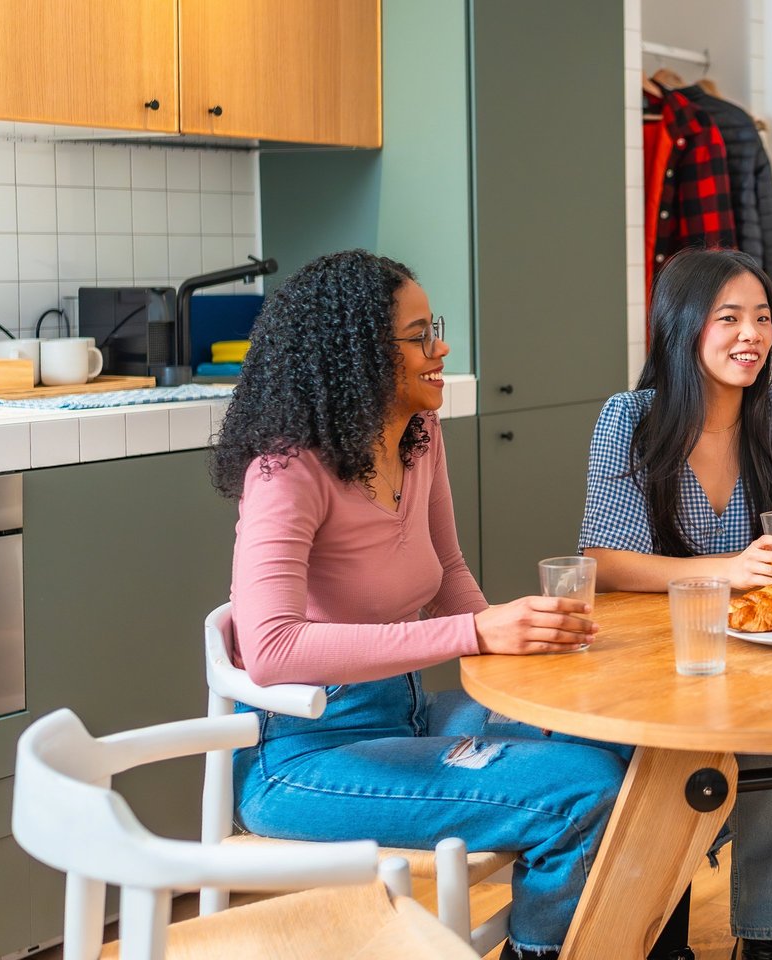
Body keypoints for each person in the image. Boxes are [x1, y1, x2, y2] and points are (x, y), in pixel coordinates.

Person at [210, 250, 627, 960]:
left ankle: (619, 936)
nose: (442, 348)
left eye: (434, 329)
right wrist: (474, 632)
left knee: (615, 739)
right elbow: (273, 648)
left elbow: (450, 574)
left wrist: (524, 660)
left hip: (406, 716)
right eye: (420, 334)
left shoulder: (417, 437)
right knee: (580, 788)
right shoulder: (287, 469)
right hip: (307, 754)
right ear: (359, 352)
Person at [580, 248, 772, 960]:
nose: (750, 336)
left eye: (762, 318)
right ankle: (657, 936)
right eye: (728, 318)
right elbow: (605, 561)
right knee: (662, 758)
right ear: (682, 327)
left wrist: (765, 567)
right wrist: (727, 571)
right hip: (665, 659)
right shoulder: (630, 419)